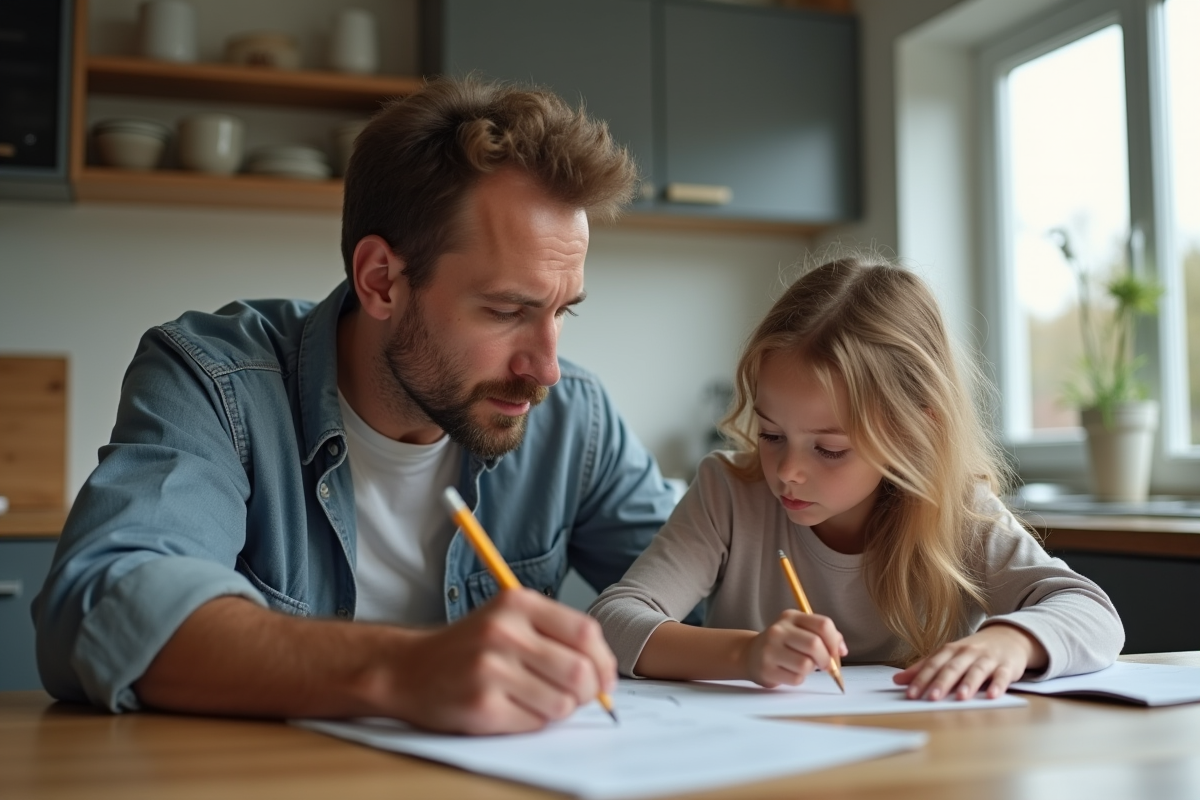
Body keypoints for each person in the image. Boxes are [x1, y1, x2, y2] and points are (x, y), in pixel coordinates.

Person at [33, 77, 681, 735]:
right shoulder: (218, 383)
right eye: (507, 310)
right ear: (381, 281)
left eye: (561, 311)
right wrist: (404, 669)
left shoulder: (575, 420)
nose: (544, 367)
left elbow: (705, 593)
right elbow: (102, 607)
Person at [589, 255, 1124, 700]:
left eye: (830, 449)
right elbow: (614, 619)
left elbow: (1092, 613)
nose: (789, 472)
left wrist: (1008, 642)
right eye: (772, 435)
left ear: (915, 429)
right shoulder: (729, 494)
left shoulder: (953, 511)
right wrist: (744, 653)